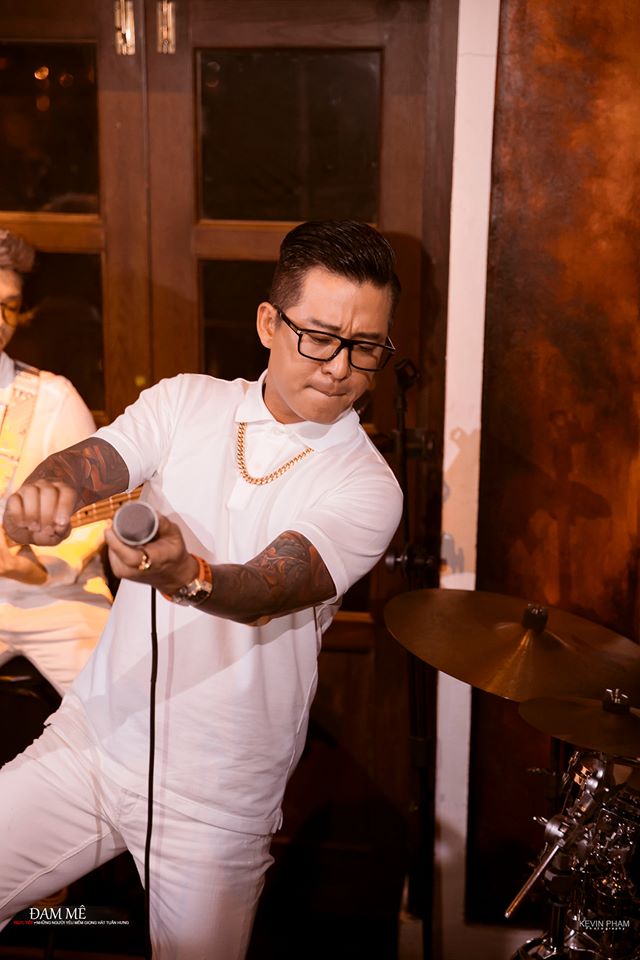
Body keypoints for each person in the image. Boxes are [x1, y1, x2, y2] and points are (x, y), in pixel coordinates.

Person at [0, 220, 404, 959]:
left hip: (218, 800)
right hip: (93, 745)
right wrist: (47, 487)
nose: (341, 367)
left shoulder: (368, 486)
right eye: (320, 337)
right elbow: (95, 461)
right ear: (268, 323)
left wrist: (185, 575)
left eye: (366, 346)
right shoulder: (187, 402)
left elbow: (269, 588)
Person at [0, 228, 111, 696]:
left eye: (8, 306)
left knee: (123, 705)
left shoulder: (54, 397)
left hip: (54, 598)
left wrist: (40, 568)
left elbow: (99, 511)